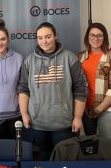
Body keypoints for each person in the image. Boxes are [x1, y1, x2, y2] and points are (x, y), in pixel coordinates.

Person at [18, 22, 88, 160]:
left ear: (55, 36)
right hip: (38, 122)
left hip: (64, 123)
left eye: (48, 36)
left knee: (63, 158)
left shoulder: (70, 58)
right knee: (44, 156)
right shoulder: (29, 61)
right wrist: (24, 114)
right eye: (40, 37)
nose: (44, 41)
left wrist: (78, 117)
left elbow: (80, 89)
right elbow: (23, 89)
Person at [78, 23, 111, 139]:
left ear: (105, 38)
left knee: (106, 143)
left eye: (99, 36)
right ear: (87, 37)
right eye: (92, 35)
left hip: (106, 109)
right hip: (86, 109)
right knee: (90, 143)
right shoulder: (81, 57)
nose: (95, 39)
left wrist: (99, 108)